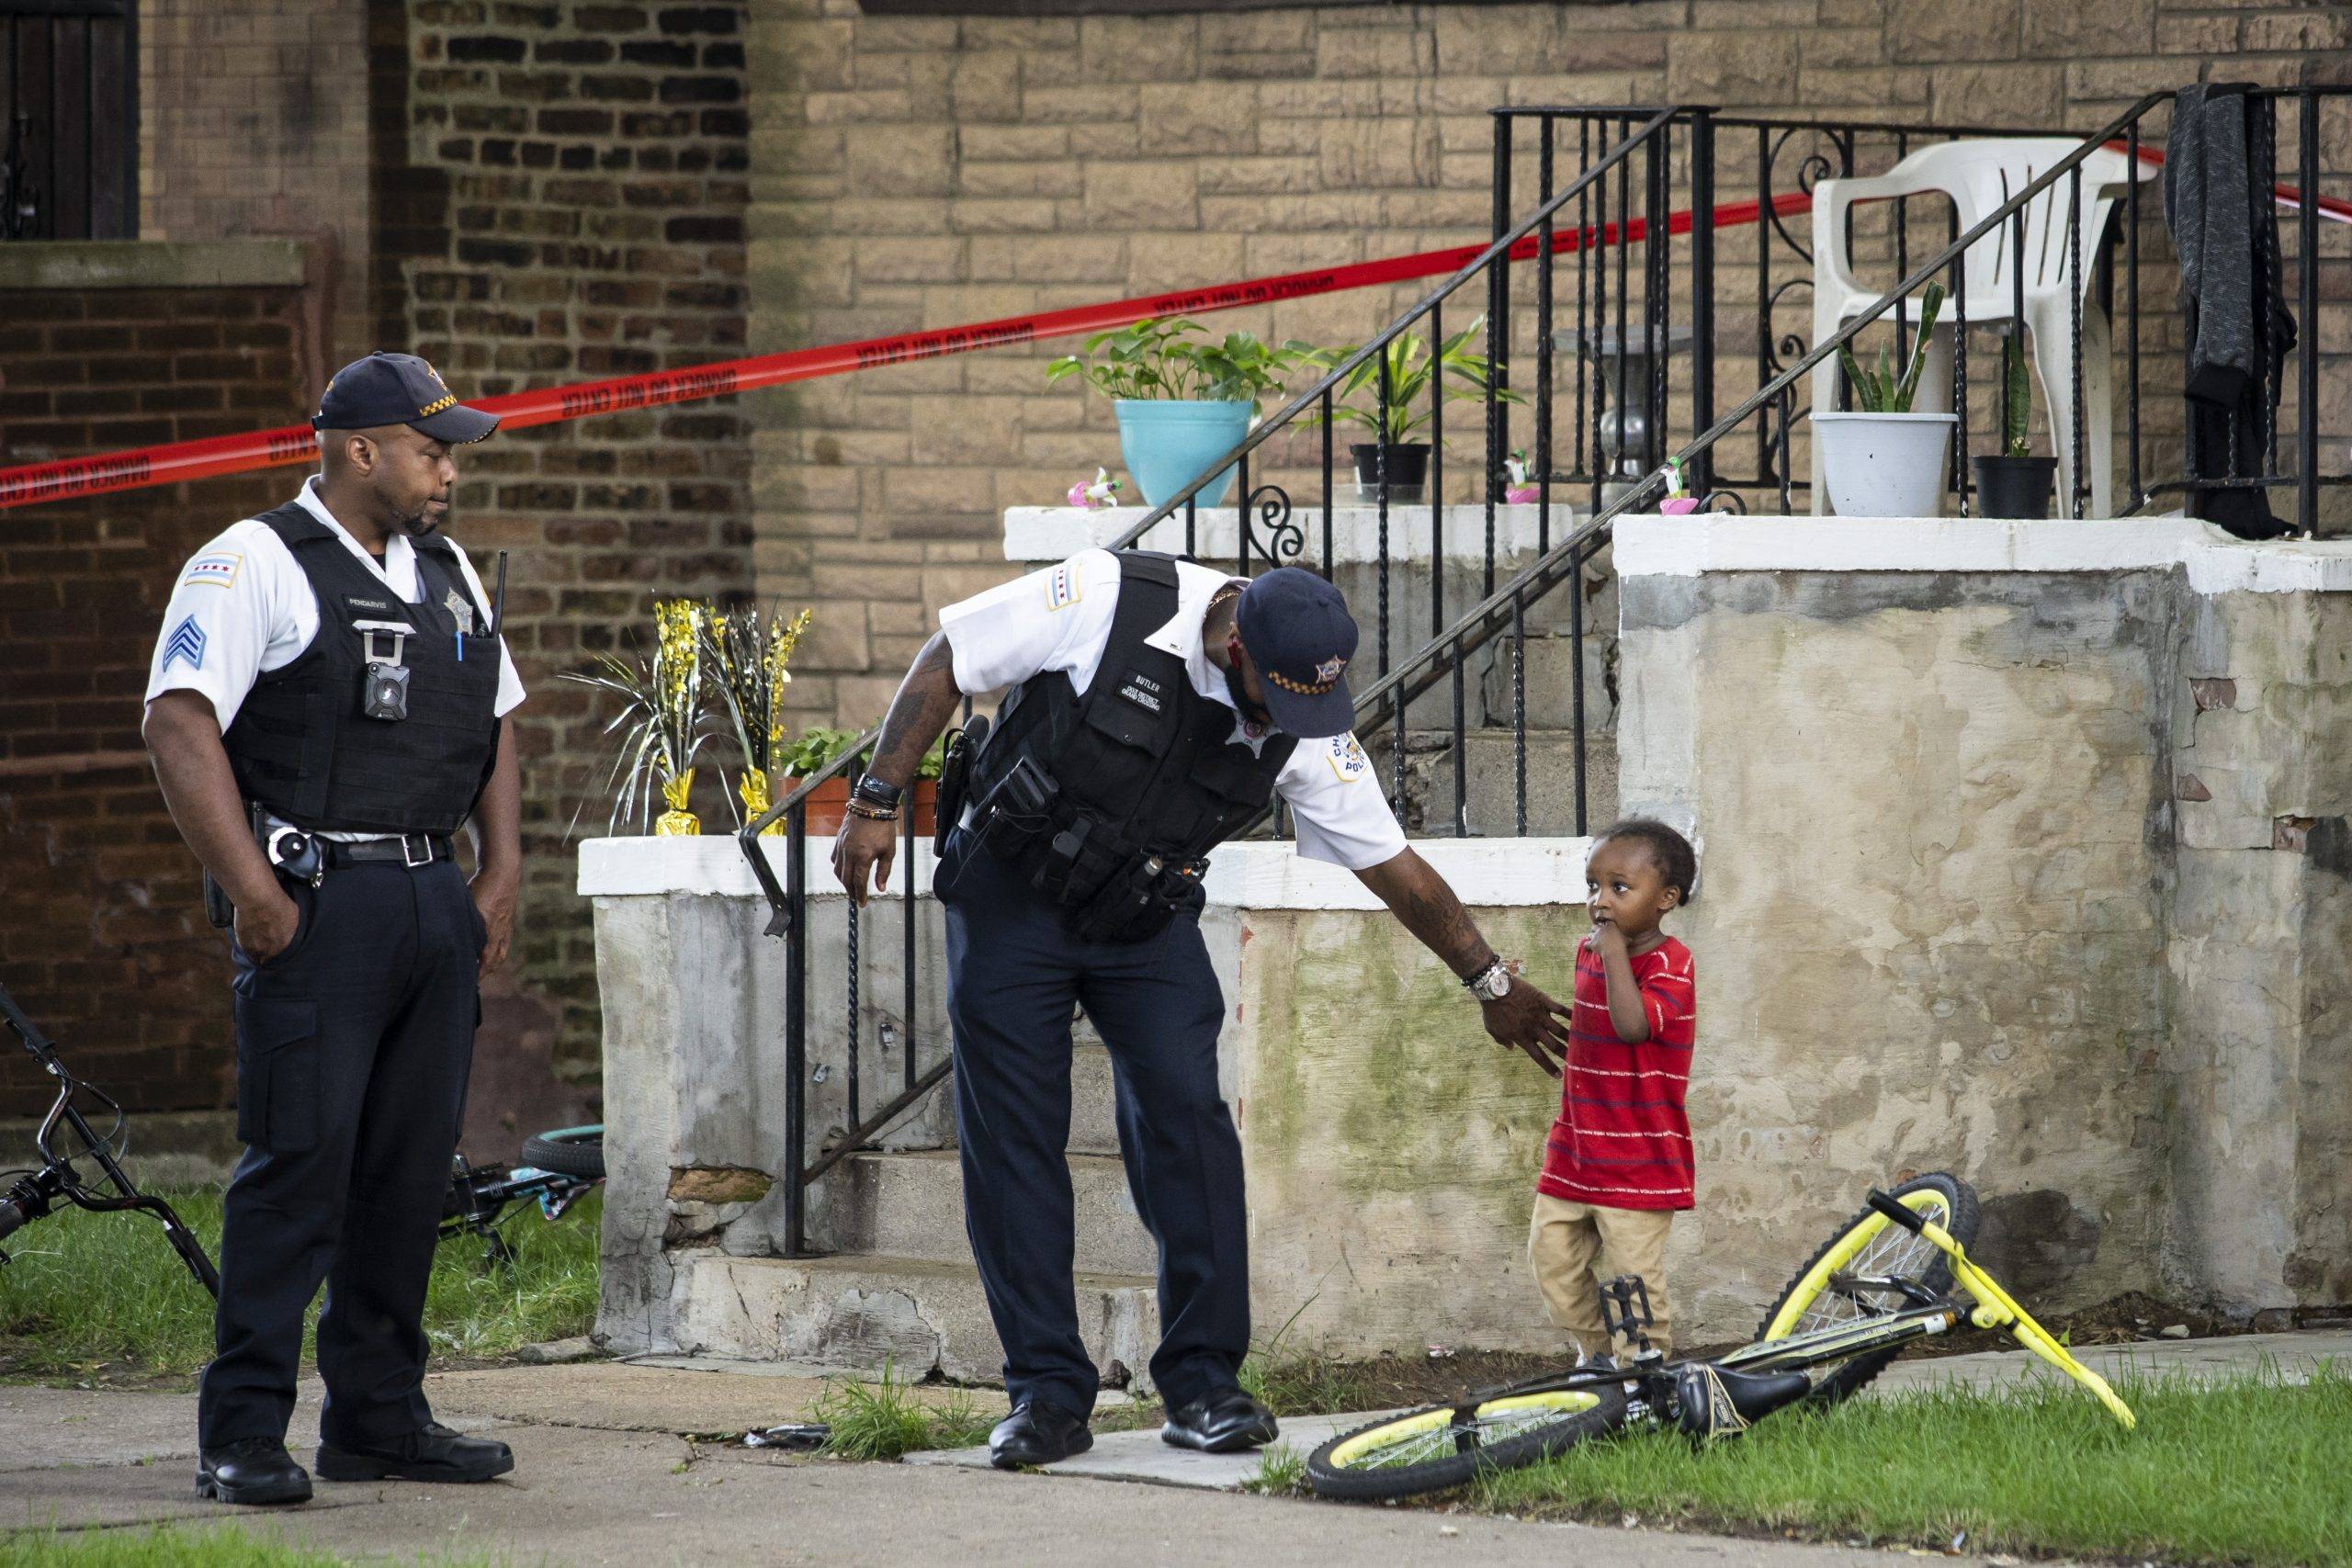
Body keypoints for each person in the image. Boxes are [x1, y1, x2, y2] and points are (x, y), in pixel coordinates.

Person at [832, 548, 1574, 1470]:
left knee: (1190, 1120)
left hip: (1142, 919)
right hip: (1012, 900)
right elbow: (952, 653)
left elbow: (1391, 863)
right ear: (1233, 649)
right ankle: (1047, 1396)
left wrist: (1487, 981)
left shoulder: (1300, 722)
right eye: (1278, 698)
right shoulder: (1112, 598)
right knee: (1015, 1137)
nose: (1290, 725)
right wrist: (875, 796)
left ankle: (1203, 1383)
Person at [142, 353, 526, 1506]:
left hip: (429, 903)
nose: (447, 470)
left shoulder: (448, 568)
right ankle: (243, 1430)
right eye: (430, 449)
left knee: (408, 1175)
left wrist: (501, 870)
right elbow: (177, 723)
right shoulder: (254, 559)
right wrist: (257, 892)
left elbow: (498, 718)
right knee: (298, 1168)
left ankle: (377, 1418)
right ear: (360, 450)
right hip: (319, 900)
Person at [1529, 818, 1698, 1363]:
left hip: (1638, 1159)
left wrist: (1615, 955)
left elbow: (1633, 1026)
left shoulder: (1673, 964)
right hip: (1575, 1149)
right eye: (1593, 886)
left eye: (1619, 888)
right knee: (1552, 1261)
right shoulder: (1592, 950)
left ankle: (1642, 1374)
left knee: (1632, 1280)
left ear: (1666, 898)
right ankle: (1599, 1355)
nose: (1600, 901)